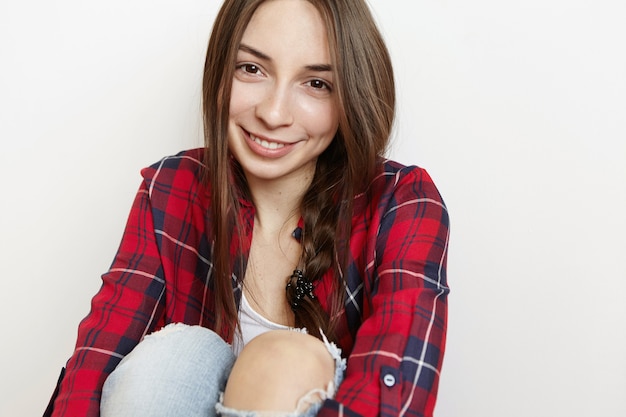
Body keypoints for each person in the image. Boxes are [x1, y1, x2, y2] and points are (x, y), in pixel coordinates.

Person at [45, 0, 450, 416]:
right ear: (221, 70)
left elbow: (396, 389)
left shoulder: (401, 201)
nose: (273, 114)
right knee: (174, 356)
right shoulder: (170, 190)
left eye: (316, 84)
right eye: (252, 69)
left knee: (283, 360)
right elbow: (94, 365)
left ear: (352, 95)